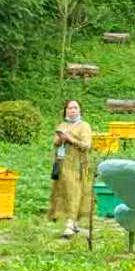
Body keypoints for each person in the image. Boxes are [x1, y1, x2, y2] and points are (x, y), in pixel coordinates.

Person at [48, 99, 96, 237]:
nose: (73, 110)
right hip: (62, 164)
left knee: (75, 192)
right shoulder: (62, 125)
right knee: (64, 193)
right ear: (65, 110)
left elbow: (87, 145)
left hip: (77, 165)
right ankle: (69, 221)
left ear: (80, 110)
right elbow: (55, 143)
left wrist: (70, 139)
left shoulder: (84, 126)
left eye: (75, 108)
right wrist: (60, 139)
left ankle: (71, 222)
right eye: (70, 108)